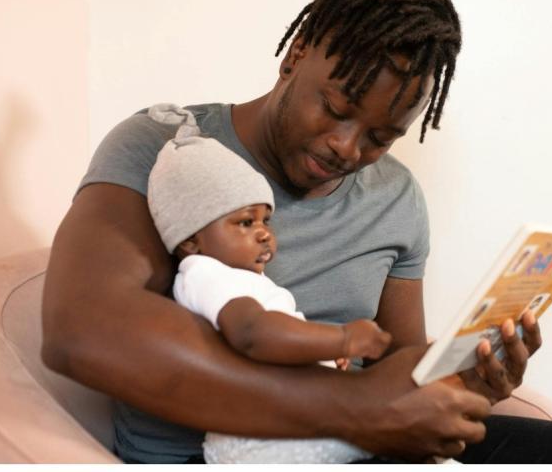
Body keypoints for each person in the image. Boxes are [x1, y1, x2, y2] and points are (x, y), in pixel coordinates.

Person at [42, 0, 552, 463]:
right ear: (295, 56)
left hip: (354, 446)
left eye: (380, 136)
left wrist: (470, 376)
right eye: (338, 109)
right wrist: (355, 408)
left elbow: (400, 361)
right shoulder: (168, 147)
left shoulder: (397, 198)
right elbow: (81, 329)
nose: (347, 148)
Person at [146, 102, 389, 463]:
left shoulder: (241, 279)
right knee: (394, 430)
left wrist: (324, 354)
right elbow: (252, 333)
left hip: (274, 428)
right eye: (246, 222)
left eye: (266, 221)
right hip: (256, 441)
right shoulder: (205, 274)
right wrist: (341, 338)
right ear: (189, 240)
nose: (264, 234)